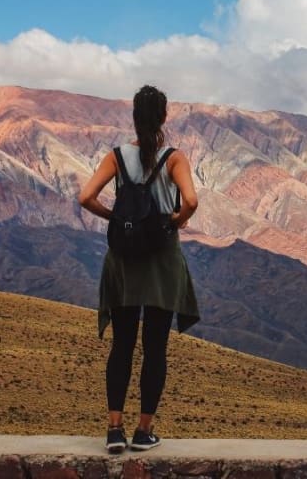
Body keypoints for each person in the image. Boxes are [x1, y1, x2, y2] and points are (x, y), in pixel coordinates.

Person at [78, 85, 200, 453]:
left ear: (134, 117)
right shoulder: (174, 158)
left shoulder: (116, 157)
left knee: (122, 345)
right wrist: (175, 221)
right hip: (162, 260)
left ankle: (114, 429)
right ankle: (143, 431)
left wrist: (115, 216)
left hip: (125, 260)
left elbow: (86, 197)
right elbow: (191, 201)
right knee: (155, 348)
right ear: (164, 117)